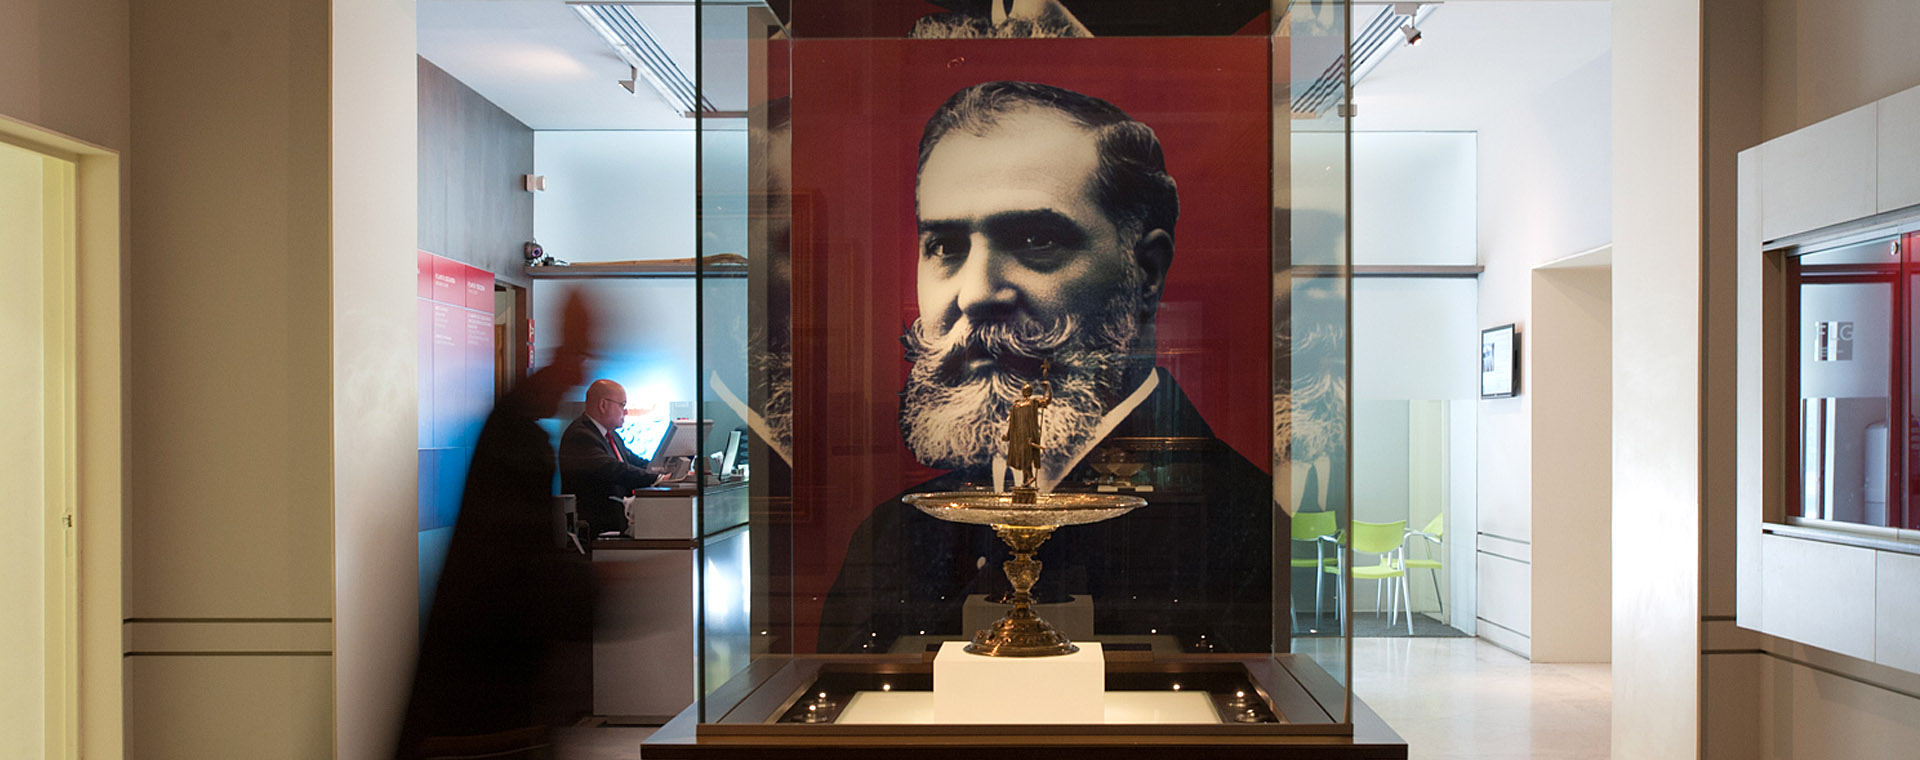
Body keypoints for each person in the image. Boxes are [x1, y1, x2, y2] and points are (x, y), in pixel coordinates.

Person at [818, 81, 1273, 654]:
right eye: (946, 246)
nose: (975, 293)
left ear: (1147, 272)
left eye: (1036, 239)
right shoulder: (889, 539)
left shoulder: (1241, 529)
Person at [397, 294, 597, 759]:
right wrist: (595, 585)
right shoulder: (516, 439)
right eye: (582, 355)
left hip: (489, 703)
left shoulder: (515, 430)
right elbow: (518, 576)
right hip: (480, 712)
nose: (583, 371)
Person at [558, 379, 665, 537]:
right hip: (596, 532)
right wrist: (657, 478)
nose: (626, 411)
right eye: (622, 405)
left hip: (617, 527)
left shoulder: (611, 435)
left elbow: (634, 461)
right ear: (603, 405)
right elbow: (614, 469)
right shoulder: (580, 436)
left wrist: (663, 469)